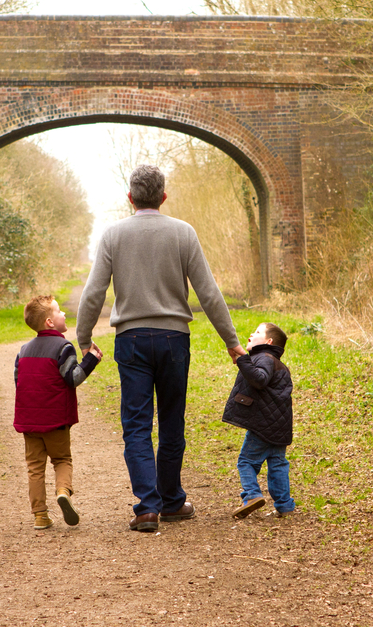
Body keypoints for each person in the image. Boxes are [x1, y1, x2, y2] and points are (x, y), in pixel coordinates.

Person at [76, 164, 245, 532]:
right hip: (174, 340)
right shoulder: (183, 233)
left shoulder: (113, 235)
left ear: (130, 197)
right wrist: (232, 342)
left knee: (136, 425)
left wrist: (84, 338)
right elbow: (209, 293)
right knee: (171, 421)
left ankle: (147, 508)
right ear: (163, 197)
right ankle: (171, 500)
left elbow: (93, 293)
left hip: (131, 340)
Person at [14, 295, 102, 530]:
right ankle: (63, 491)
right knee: (61, 459)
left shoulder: (23, 351)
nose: (64, 313)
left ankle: (40, 515)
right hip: (56, 421)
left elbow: (18, 381)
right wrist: (91, 360)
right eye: (59, 310)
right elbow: (72, 379)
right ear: (50, 322)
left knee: (35, 468)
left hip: (29, 423)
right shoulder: (63, 347)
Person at [223, 322, 296, 519]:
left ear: (268, 341)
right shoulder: (278, 364)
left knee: (246, 461)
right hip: (280, 427)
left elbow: (259, 379)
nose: (250, 335)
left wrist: (244, 361)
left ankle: (252, 496)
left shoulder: (263, 358)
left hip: (263, 427)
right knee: (277, 463)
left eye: (256, 332)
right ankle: (284, 505)